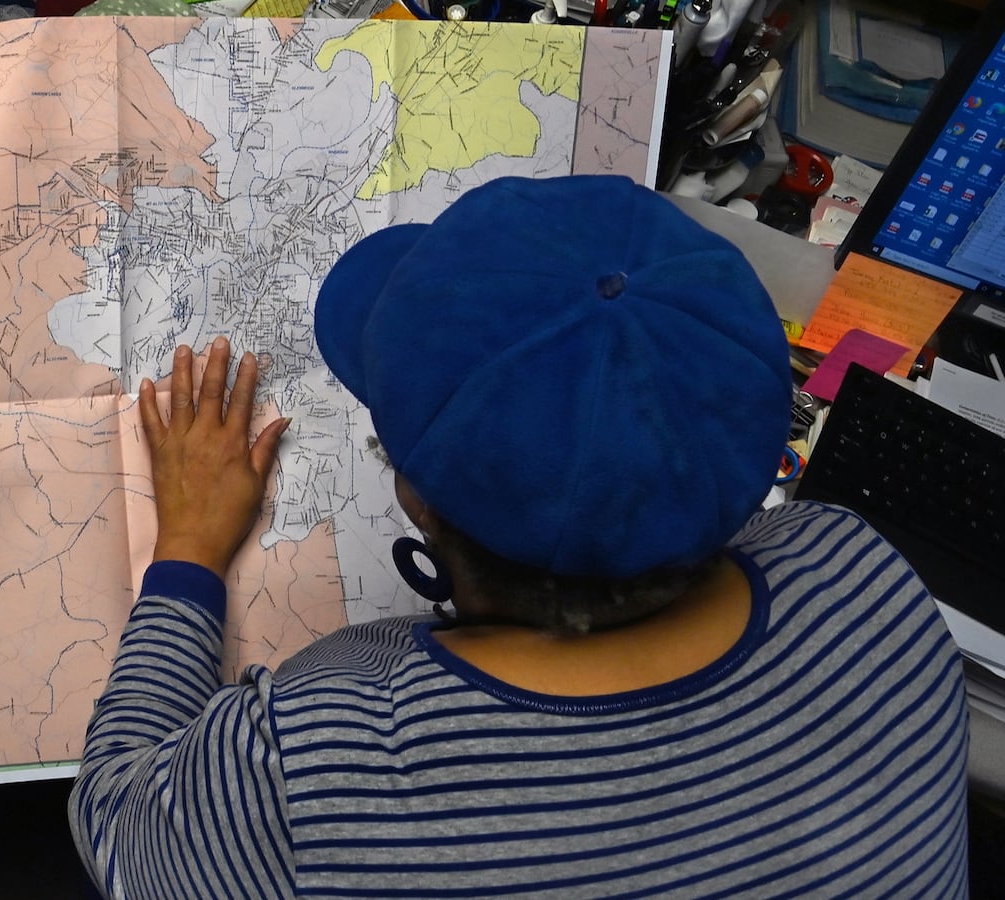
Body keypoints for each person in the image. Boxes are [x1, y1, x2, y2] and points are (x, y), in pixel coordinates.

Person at [68, 175, 969, 898]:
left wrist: (186, 547)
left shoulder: (309, 763)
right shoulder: (862, 577)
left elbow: (115, 817)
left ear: (420, 497)